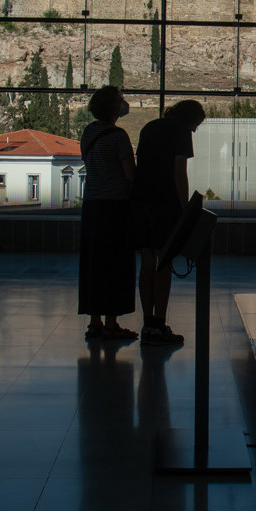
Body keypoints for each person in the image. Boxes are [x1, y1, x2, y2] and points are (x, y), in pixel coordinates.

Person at [129, 99, 205, 345]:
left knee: (147, 262)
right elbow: (178, 172)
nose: (194, 130)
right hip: (165, 203)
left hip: (140, 201)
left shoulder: (149, 127)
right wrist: (185, 210)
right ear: (191, 119)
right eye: (196, 125)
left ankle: (148, 323)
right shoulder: (180, 132)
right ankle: (160, 324)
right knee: (165, 263)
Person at [78, 85, 138, 339]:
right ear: (113, 107)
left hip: (92, 205)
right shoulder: (118, 136)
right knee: (115, 265)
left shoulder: (88, 133)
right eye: (120, 100)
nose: (123, 103)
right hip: (116, 208)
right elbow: (130, 175)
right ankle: (112, 322)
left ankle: (94, 322)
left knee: (94, 264)